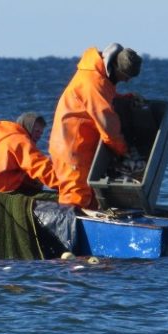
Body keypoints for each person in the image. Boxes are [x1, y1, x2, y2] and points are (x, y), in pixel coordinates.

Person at [49, 42, 143, 209]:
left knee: (91, 198)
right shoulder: (93, 82)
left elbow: (107, 101)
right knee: (75, 197)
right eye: (125, 76)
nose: (127, 80)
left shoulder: (101, 77)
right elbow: (109, 128)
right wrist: (124, 151)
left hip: (80, 147)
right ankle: (66, 233)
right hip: (72, 149)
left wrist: (126, 99)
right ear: (114, 66)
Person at [0, 112, 60, 194]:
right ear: (27, 127)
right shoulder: (20, 141)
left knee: (33, 182)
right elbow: (42, 169)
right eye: (36, 131)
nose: (39, 135)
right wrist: (67, 186)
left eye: (41, 133)